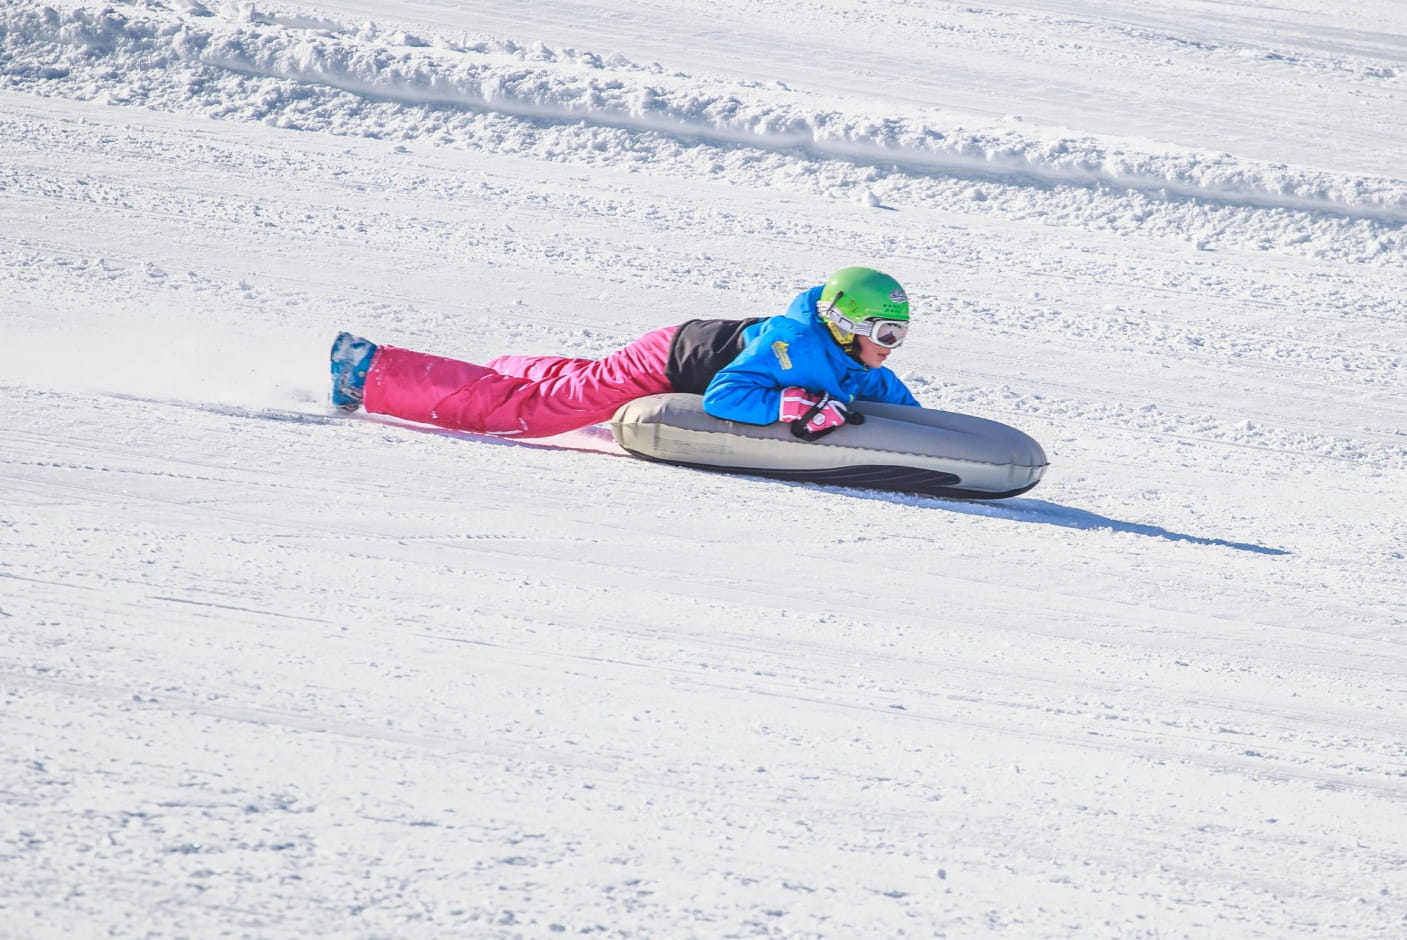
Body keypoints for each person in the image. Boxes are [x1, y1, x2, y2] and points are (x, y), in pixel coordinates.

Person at [330, 266, 921, 441]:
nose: (891, 349)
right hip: (663, 362)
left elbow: (892, 400)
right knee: (531, 415)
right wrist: (788, 405)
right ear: (844, 323)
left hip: (689, 344)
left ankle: (514, 364)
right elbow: (727, 396)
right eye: (885, 334)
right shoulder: (794, 348)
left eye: (899, 336)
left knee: (577, 384)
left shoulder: (849, 357)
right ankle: (369, 372)